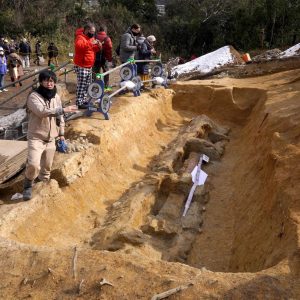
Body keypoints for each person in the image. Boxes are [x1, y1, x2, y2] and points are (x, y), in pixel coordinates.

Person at [22, 70, 78, 200]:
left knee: (47, 167)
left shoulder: (56, 96)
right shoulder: (33, 97)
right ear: (41, 82)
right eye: (47, 80)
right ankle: (28, 184)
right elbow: (42, 112)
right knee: (34, 165)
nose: (49, 83)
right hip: (36, 137)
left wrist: (61, 133)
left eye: (52, 81)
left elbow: (60, 117)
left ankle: (43, 186)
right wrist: (63, 109)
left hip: (51, 138)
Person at [74, 22, 102, 108]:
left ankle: (84, 100)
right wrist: (91, 43)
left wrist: (99, 46)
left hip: (89, 65)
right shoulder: (80, 37)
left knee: (87, 84)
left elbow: (92, 49)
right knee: (81, 84)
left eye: (94, 31)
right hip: (82, 65)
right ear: (86, 30)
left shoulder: (91, 38)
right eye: (91, 31)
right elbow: (79, 46)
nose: (93, 33)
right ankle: (79, 102)